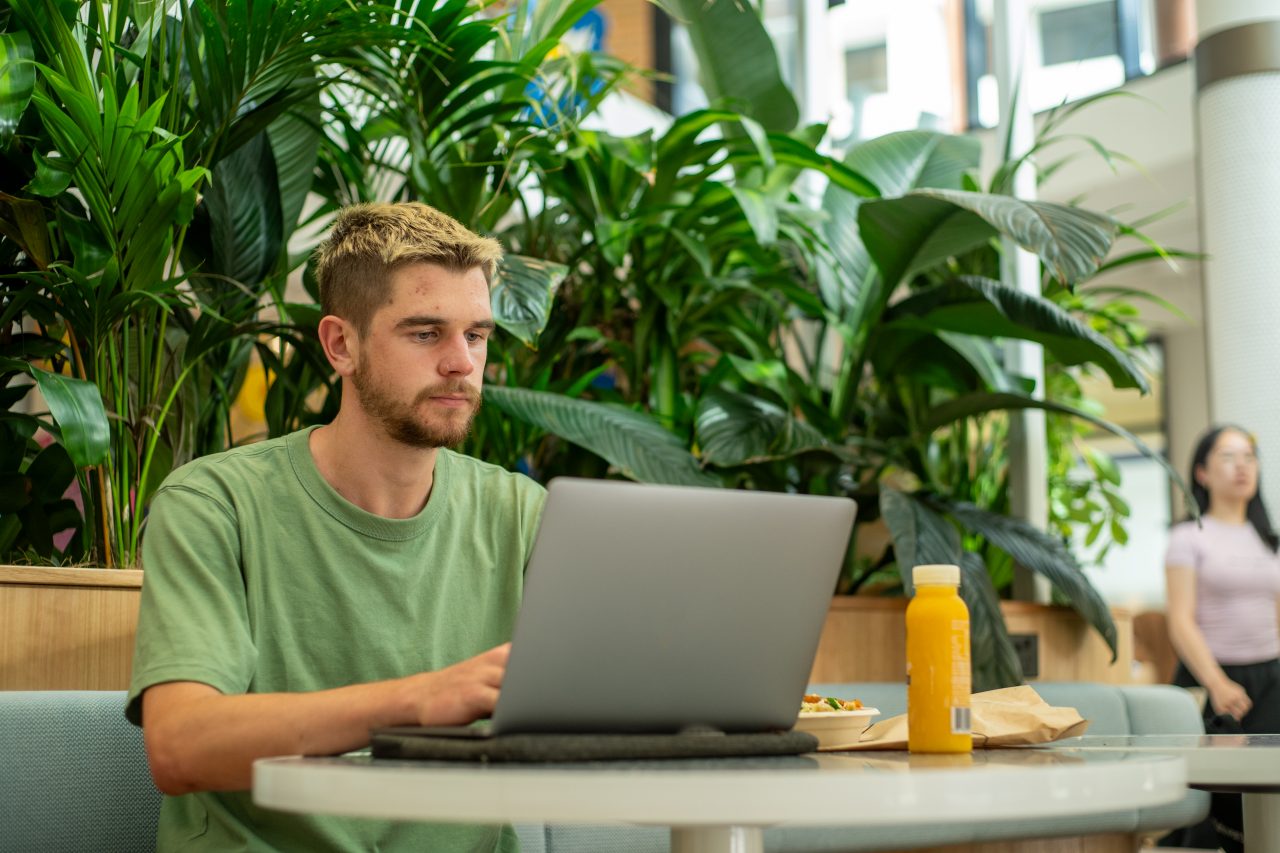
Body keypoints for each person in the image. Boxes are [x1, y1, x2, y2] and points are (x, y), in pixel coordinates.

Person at [125, 202, 546, 851]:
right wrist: (421, 698)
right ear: (340, 344)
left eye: (477, 335)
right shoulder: (215, 504)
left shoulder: (522, 514)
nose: (462, 362)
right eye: (426, 333)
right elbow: (181, 745)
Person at [1163, 424, 1280, 851]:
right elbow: (1180, 621)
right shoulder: (1188, 535)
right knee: (1217, 801)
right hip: (1212, 675)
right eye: (1228, 457)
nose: (1242, 466)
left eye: (1249, 456)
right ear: (1202, 473)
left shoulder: (1268, 540)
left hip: (1271, 678)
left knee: (1269, 795)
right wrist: (1216, 683)